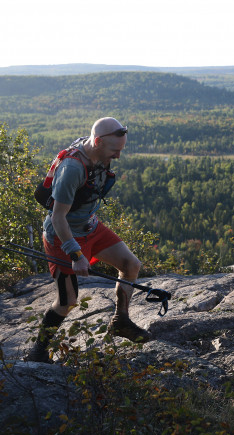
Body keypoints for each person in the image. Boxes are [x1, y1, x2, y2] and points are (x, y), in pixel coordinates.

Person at [25, 117, 152, 363]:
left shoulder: (97, 154)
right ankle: (38, 352)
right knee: (68, 301)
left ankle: (121, 322)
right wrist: (76, 254)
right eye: (114, 150)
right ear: (97, 141)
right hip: (63, 235)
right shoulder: (72, 168)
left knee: (131, 265)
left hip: (90, 226)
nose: (117, 155)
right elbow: (58, 217)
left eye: (121, 149)